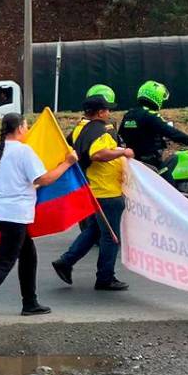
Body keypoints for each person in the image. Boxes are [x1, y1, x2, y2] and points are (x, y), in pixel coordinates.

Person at [0, 114, 78, 324]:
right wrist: (67, 164)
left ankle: (30, 302)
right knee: (4, 262)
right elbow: (44, 179)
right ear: (21, 128)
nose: (28, 129)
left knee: (28, 254)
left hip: (0, 211)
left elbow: (19, 182)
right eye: (26, 126)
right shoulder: (23, 151)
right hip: (14, 214)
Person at [53, 94, 133, 291]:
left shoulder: (81, 129)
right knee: (111, 236)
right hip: (107, 191)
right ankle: (105, 277)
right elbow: (97, 154)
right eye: (107, 109)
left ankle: (66, 261)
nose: (109, 112)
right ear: (100, 112)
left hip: (92, 188)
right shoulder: (100, 131)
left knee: (95, 230)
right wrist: (122, 151)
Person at [118, 81, 188, 170]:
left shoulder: (129, 114)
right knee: (174, 166)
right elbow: (171, 132)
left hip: (133, 162)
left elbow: (121, 135)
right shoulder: (150, 115)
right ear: (156, 97)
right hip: (151, 163)